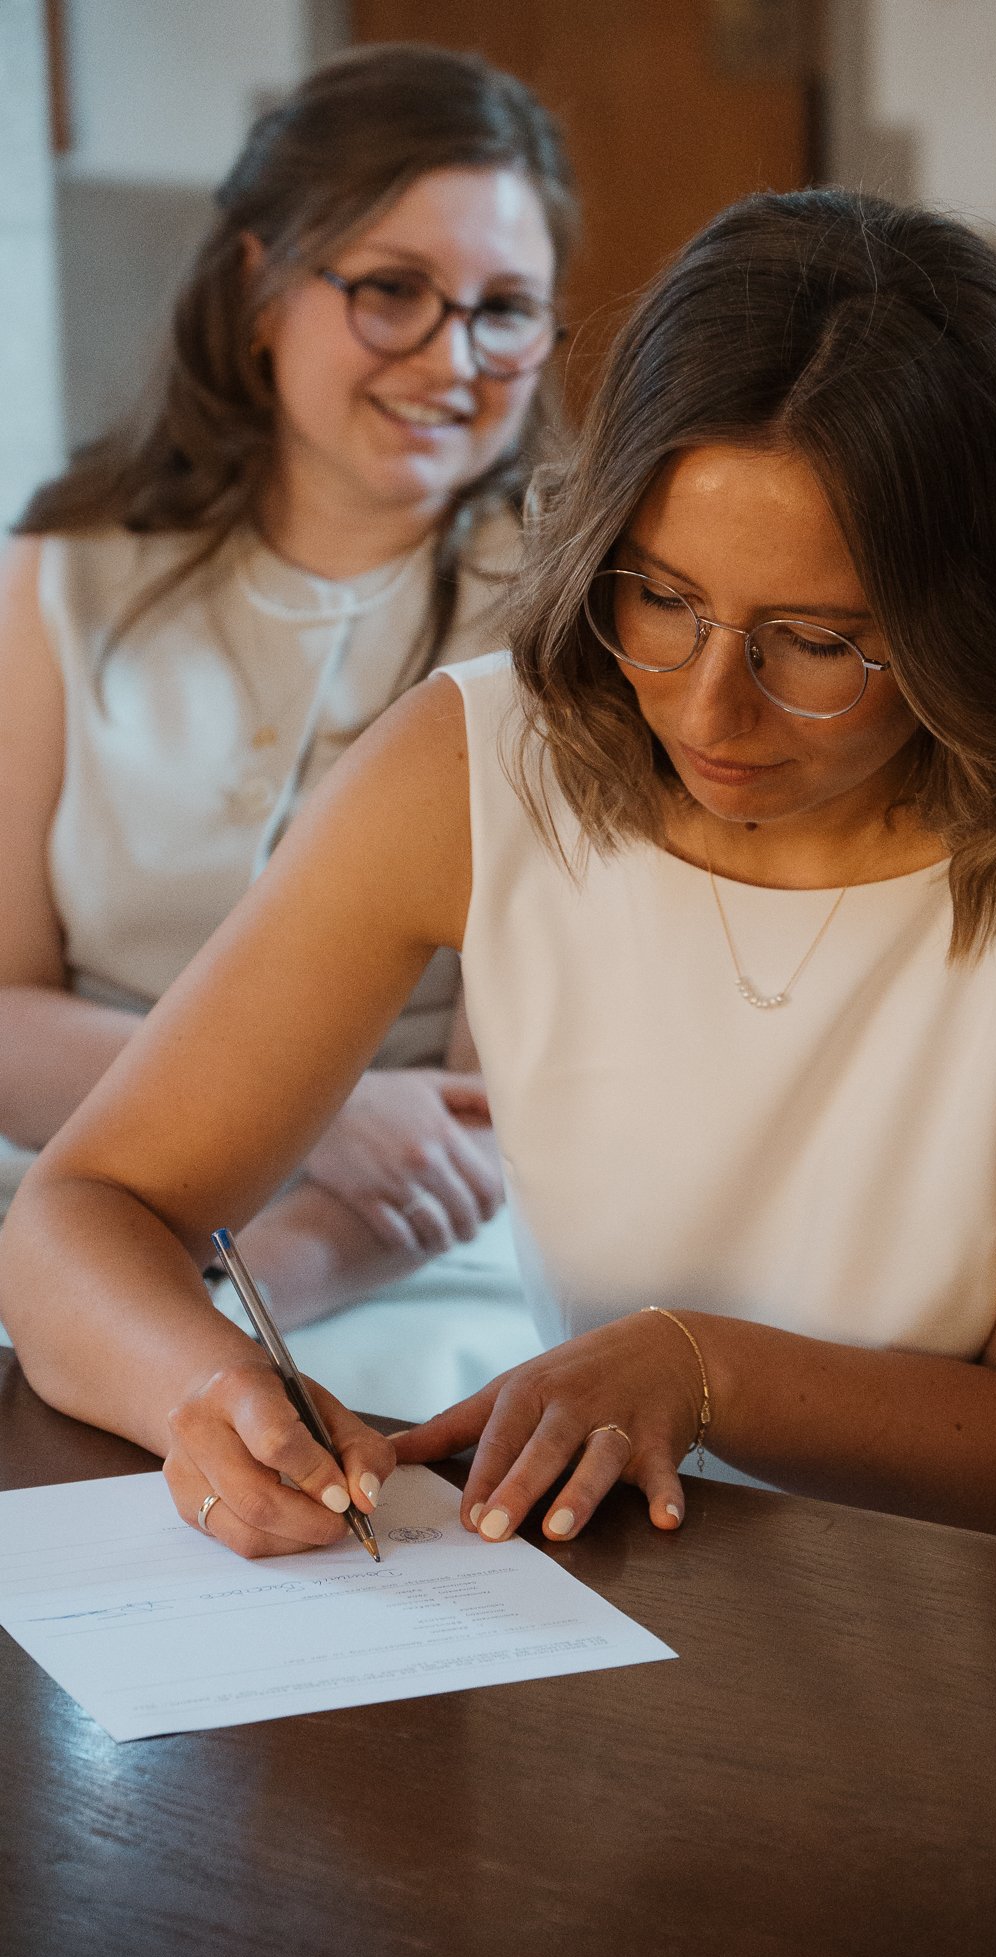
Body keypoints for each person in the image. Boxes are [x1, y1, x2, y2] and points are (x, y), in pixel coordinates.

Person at [0, 189, 996, 1593]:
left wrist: (702, 1366)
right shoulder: (473, 763)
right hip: (648, 1595)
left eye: (816, 642)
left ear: (973, 613)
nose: (709, 708)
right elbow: (82, 1218)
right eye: (660, 599)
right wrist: (207, 1392)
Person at [0, 45, 576, 1328]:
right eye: (392, 291)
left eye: (504, 309)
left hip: (399, 1258)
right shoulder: (65, 571)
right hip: (42, 1199)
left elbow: (505, 1112)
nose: (452, 356)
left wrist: (235, 1293)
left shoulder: (568, 624)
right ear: (260, 288)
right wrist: (319, 1109)